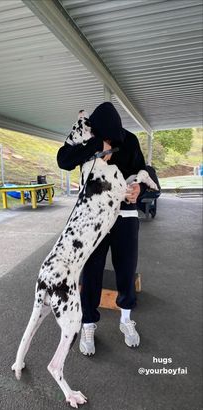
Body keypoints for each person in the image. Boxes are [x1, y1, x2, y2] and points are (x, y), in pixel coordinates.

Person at [57, 102, 146, 355]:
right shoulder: (87, 136)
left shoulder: (129, 140)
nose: (109, 140)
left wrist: (139, 190)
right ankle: (88, 323)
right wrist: (96, 146)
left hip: (125, 216)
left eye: (111, 137)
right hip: (93, 219)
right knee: (91, 271)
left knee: (126, 269)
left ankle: (126, 319)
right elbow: (63, 160)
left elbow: (144, 170)